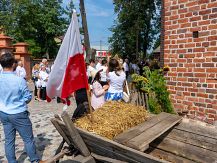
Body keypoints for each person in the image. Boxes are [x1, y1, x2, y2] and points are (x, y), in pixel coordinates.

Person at [0, 53, 44, 163]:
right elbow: (28, 97)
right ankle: (34, 160)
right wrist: (20, 101)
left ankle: (12, 161)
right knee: (28, 139)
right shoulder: (19, 80)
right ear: (12, 64)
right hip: (18, 112)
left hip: (4, 112)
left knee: (9, 140)